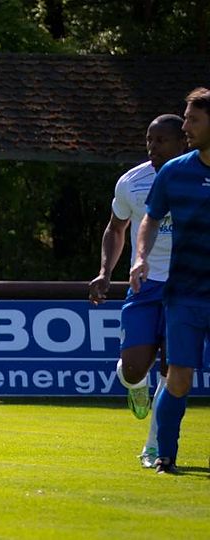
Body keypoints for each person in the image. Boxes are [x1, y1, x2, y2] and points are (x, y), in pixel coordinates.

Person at [88, 114, 187, 468]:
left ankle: (155, 447)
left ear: (183, 142)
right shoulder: (132, 182)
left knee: (172, 370)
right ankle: (136, 386)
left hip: (187, 287)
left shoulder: (200, 178)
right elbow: (116, 229)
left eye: (161, 141)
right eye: (149, 140)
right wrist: (105, 272)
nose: (152, 147)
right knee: (132, 369)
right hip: (144, 286)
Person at [130, 87, 210, 474]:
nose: (186, 127)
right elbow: (150, 218)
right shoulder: (175, 172)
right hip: (184, 295)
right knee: (178, 379)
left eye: (193, 119)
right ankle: (165, 455)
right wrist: (140, 257)